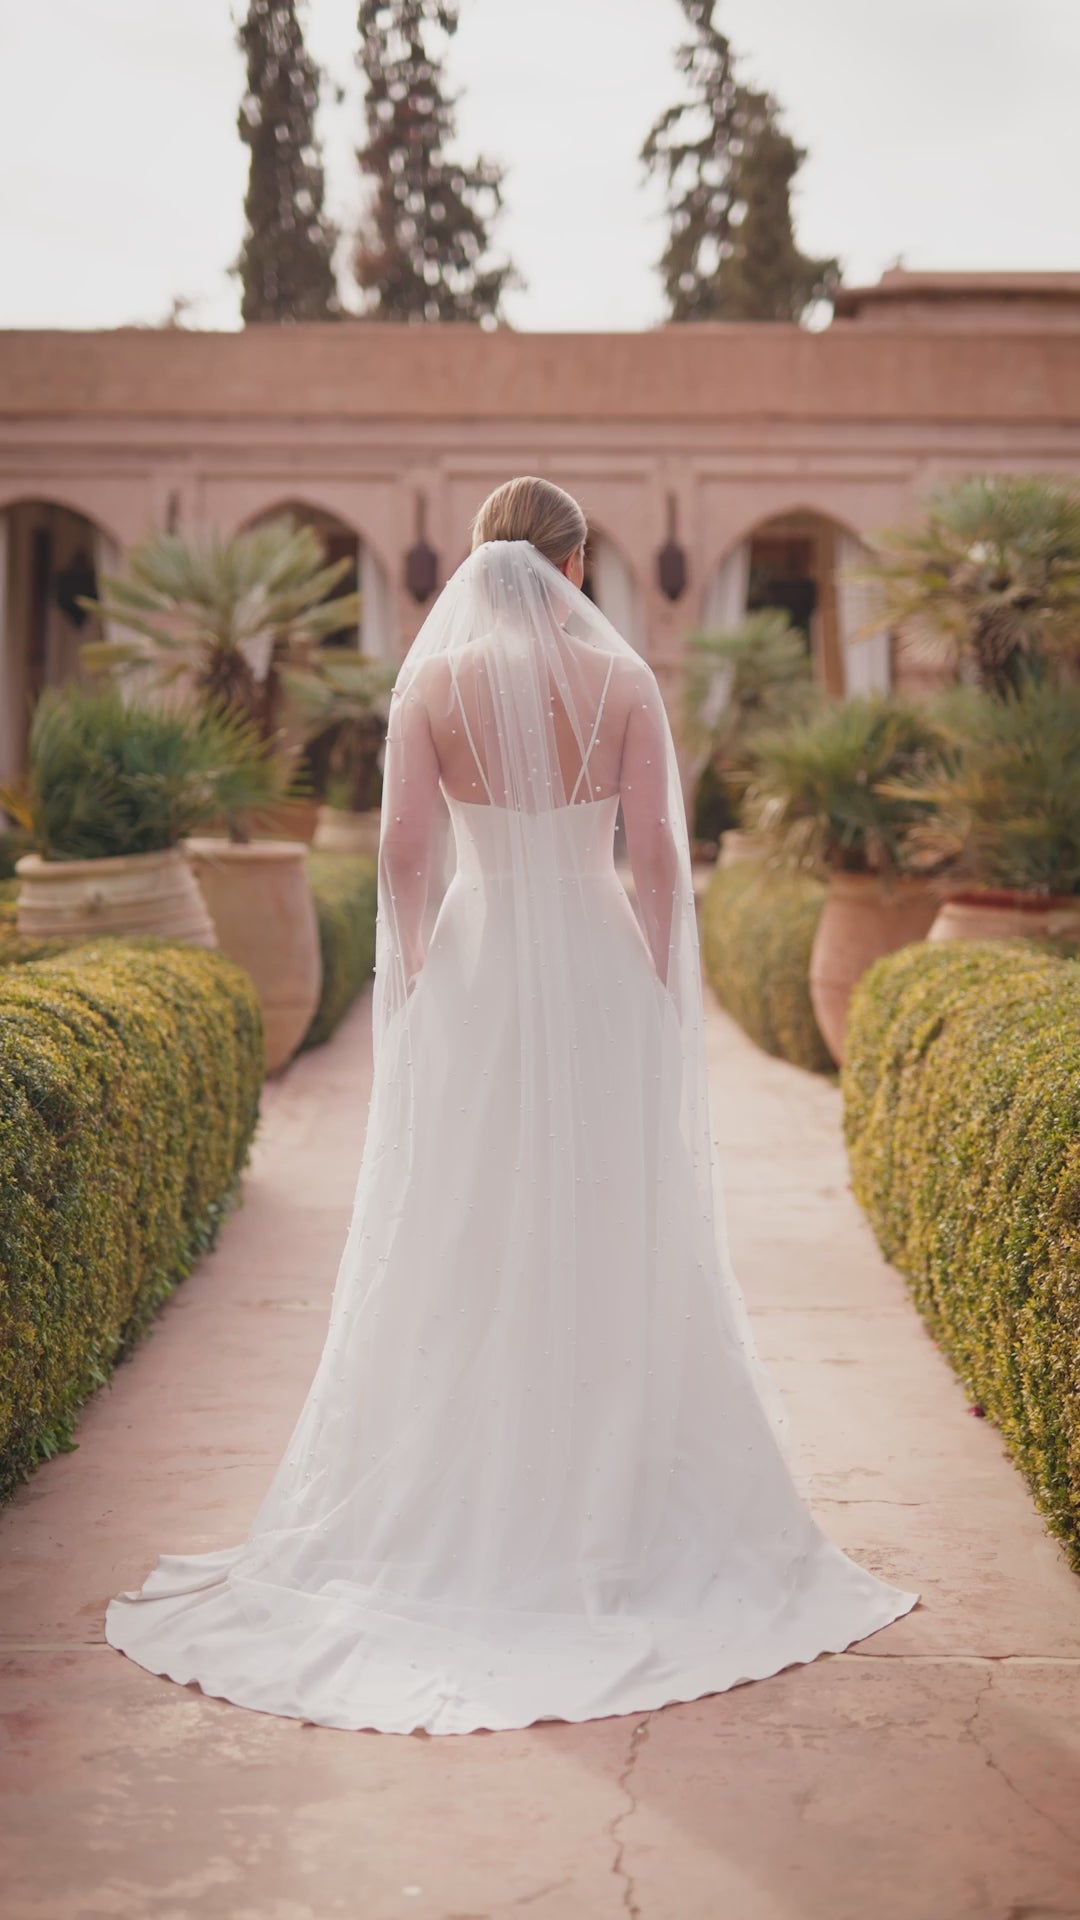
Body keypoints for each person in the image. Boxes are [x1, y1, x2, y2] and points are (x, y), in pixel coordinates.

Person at [105, 477, 917, 1735]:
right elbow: (656, 856)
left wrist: (419, 970)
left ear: (482, 567)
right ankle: (612, 1493)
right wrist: (659, 983)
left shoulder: (432, 685)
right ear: (576, 566)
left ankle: (476, 1491)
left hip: (481, 969)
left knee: (470, 1221)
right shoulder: (626, 686)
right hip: (593, 964)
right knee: (606, 1214)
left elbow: (404, 854)